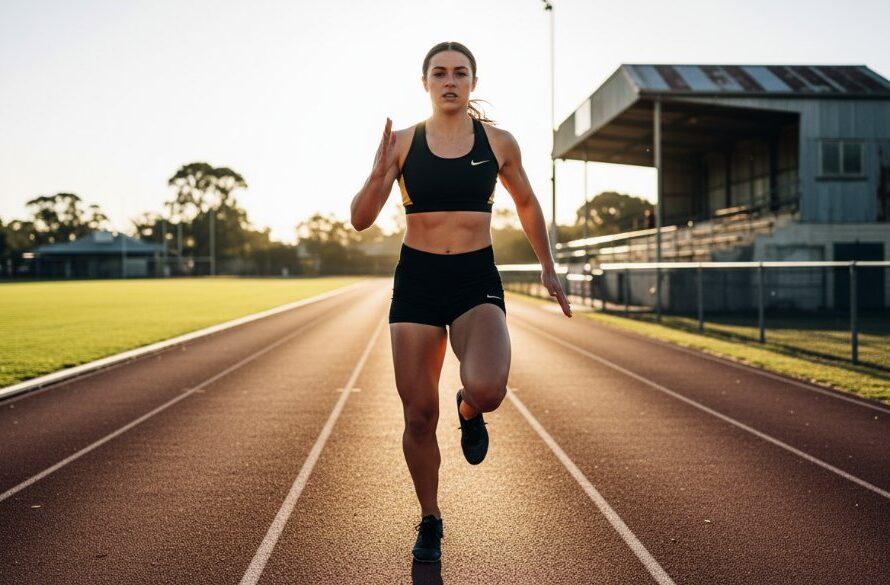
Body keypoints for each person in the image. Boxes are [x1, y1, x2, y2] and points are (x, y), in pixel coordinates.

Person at [350, 40, 572, 564]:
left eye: (460, 73)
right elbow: (360, 219)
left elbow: (526, 203)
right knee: (419, 416)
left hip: (475, 279)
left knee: (490, 387)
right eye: (440, 73)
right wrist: (378, 171)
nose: (450, 81)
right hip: (419, 282)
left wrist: (547, 264)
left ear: (473, 82)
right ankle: (430, 518)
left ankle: (469, 409)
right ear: (425, 82)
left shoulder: (498, 143)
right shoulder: (402, 143)